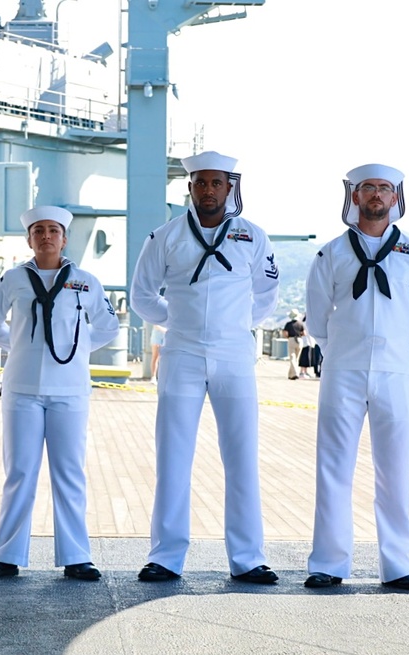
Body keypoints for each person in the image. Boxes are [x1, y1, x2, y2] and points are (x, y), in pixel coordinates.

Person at [130, 150, 280, 584]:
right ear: (190, 188)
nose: (209, 190)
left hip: (234, 355)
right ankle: (166, 556)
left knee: (241, 455)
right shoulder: (165, 237)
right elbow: (142, 295)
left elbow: (267, 294)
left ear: (230, 187)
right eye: (201, 183)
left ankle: (248, 558)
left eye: (217, 183)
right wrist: (179, 322)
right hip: (182, 353)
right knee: (173, 455)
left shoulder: (253, 237)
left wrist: (236, 327)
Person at [303, 163, 409, 591]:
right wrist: (344, 350)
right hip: (343, 369)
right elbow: (317, 317)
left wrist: (401, 353)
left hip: (395, 372)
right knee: (333, 468)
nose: (377, 196)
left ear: (396, 198)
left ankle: (399, 565)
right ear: (354, 197)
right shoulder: (332, 253)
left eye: (384, 189)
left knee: (396, 469)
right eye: (368, 189)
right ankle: (328, 563)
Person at [0, 205, 119, 580]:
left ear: (65, 238)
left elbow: (107, 326)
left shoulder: (85, 281)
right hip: (22, 388)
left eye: (53, 230)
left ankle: (76, 555)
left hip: (69, 389)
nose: (46, 236)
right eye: (38, 230)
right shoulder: (14, 280)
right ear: (29, 239)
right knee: (19, 471)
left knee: (69, 471)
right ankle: (6, 555)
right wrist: (20, 345)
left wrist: (77, 351)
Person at [283, 310, 305, 379]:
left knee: (292, 358)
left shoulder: (288, 324)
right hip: (299, 340)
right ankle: (290, 375)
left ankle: (295, 373)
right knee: (296, 359)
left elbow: (285, 333)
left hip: (292, 339)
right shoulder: (300, 324)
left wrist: (288, 338)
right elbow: (304, 333)